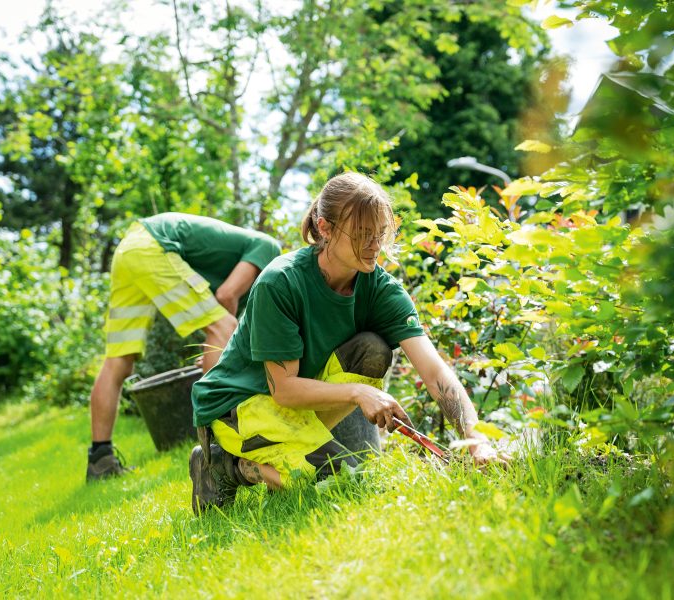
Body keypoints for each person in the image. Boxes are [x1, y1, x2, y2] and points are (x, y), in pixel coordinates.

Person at [188, 172, 505, 513]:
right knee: (334, 482)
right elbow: (284, 390)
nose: (374, 245)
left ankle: (288, 456)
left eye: (380, 233)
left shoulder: (381, 289)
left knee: (373, 349)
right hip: (240, 404)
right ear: (325, 228)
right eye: (362, 234)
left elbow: (434, 371)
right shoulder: (280, 283)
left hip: (297, 403)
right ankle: (225, 466)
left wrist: (477, 441)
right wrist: (359, 392)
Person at [86, 213, 281, 481]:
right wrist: (221, 346)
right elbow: (226, 296)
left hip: (128, 250)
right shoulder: (270, 249)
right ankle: (220, 438)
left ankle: (100, 459)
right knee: (224, 325)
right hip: (153, 245)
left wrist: (215, 350)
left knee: (118, 360)